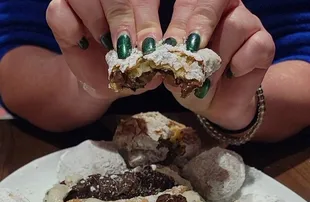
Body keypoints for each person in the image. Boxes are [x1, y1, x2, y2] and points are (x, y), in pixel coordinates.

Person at [0, 0, 309, 144]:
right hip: (71, 141)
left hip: (259, 155)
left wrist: (243, 107)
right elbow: (13, 49)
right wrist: (81, 84)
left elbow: (303, 46)